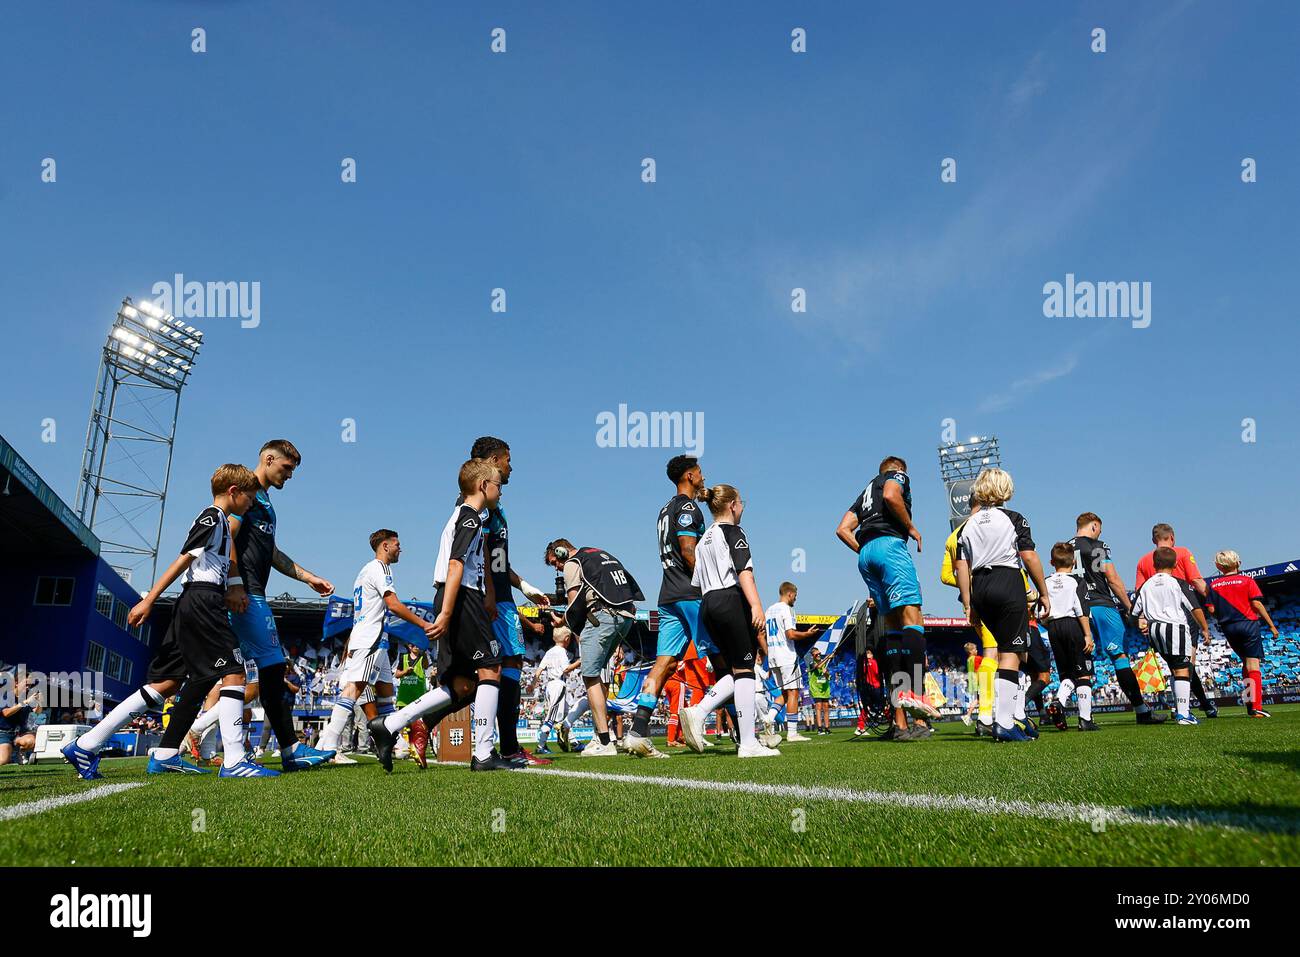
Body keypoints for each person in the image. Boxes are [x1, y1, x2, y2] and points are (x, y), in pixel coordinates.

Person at [63, 464, 277, 778]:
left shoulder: (221, 523)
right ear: (234, 492)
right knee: (234, 672)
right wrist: (149, 599)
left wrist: (234, 586)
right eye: (249, 497)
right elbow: (185, 558)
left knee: (167, 683)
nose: (250, 503)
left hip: (194, 602)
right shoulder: (213, 517)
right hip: (203, 601)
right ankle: (234, 761)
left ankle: (91, 745)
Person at [368, 459, 510, 772]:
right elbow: (456, 565)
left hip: (456, 597)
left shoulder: (465, 516)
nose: (501, 490)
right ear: (482, 486)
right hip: (460, 597)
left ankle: (389, 724)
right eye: (498, 484)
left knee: (460, 685)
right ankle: (484, 754)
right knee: (490, 669)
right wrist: (447, 611)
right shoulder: (470, 519)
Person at [226, 439, 337, 770]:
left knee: (264, 670)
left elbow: (271, 553)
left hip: (252, 592)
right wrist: (234, 585)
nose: (289, 475)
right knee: (271, 668)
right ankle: (289, 751)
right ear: (269, 459)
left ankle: (166, 749)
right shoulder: (245, 492)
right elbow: (227, 534)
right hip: (246, 594)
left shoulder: (265, 502)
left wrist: (307, 577)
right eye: (286, 468)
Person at [463, 437, 554, 766]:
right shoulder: (480, 507)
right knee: (503, 666)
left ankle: (420, 722)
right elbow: (479, 555)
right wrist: (490, 594)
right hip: (493, 600)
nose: (511, 466)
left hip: (502, 595)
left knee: (500, 668)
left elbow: (499, 561)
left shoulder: (494, 508)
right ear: (492, 461)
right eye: (507, 460)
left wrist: (525, 586)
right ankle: (510, 749)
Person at [837, 456, 937, 741]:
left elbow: (842, 529)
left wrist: (866, 551)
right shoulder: (897, 478)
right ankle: (917, 700)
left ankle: (900, 723)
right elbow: (893, 495)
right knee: (913, 618)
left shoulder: (866, 492)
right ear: (898, 470)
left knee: (892, 629)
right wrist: (910, 528)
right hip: (890, 547)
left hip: (867, 553)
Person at [677, 484, 780, 758]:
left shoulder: (705, 538)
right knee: (745, 671)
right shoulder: (733, 531)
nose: (743, 507)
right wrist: (756, 605)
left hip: (708, 604)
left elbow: (697, 582)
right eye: (741, 502)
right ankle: (748, 743)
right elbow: (744, 570)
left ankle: (698, 712)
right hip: (730, 599)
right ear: (733, 504)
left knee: (736, 671)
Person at [317, 530, 436, 763]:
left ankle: (398, 743)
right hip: (370, 638)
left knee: (385, 694)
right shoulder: (380, 569)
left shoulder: (363, 571)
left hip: (375, 639)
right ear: (385, 546)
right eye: (397, 544)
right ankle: (329, 743)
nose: (400, 549)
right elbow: (392, 604)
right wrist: (423, 624)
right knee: (354, 690)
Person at [953, 468, 1049, 743]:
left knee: (1001, 651)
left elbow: (962, 566)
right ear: (1005, 489)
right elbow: (1028, 557)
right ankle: (1005, 722)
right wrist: (1043, 592)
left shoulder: (966, 525)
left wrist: (968, 605)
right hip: (1007, 580)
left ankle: (1008, 716)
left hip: (979, 585)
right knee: (1011, 652)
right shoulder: (1014, 518)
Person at [544, 539, 643, 757]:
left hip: (602, 617)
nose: (557, 568)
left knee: (589, 676)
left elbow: (573, 606)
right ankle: (600, 737)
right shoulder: (600, 554)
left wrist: (562, 621)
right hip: (625, 617)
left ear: (561, 552)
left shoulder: (572, 562)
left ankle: (604, 741)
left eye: (554, 563)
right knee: (599, 678)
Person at [1068, 513, 1165, 725]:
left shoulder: (1065, 547)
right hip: (1102, 605)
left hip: (1077, 610)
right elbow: (1112, 579)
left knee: (1081, 662)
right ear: (1094, 526)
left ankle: (1079, 712)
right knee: (1119, 658)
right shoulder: (1097, 545)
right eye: (1099, 529)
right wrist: (1131, 609)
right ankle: (1141, 711)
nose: (1100, 533)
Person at [1134, 524, 1216, 718]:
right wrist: (1213, 600)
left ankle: (1186, 706)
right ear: (1172, 537)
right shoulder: (1182, 552)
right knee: (1186, 665)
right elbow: (1196, 581)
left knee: (1175, 665)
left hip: (1155, 619)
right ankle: (1193, 707)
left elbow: (1139, 593)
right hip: (1181, 614)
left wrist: (1142, 619)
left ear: (1153, 539)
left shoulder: (1143, 561)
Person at [1204, 550, 1279, 718]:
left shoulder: (1214, 585)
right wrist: (1272, 626)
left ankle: (1249, 703)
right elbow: (1257, 604)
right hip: (1248, 624)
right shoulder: (1247, 581)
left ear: (1218, 566)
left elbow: (1211, 609)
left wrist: (1223, 616)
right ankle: (1257, 707)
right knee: (1253, 665)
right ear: (1238, 563)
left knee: (1245, 664)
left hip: (1228, 627)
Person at [1042, 542, 1098, 731]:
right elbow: (1081, 610)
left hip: (1053, 627)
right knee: (1083, 673)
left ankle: (1059, 700)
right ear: (1074, 561)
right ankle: (1085, 719)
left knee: (1066, 672)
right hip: (1073, 625)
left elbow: (1041, 611)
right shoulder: (1077, 581)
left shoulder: (1046, 581)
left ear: (1052, 562)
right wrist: (1087, 635)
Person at [764, 582, 821, 742]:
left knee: (784, 692)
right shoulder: (787, 609)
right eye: (795, 595)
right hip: (786, 656)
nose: (796, 598)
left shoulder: (769, 610)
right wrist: (808, 634)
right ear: (789, 594)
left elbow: (763, 634)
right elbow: (790, 634)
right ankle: (792, 733)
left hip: (774, 656)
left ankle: (769, 718)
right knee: (793, 692)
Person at [533, 627, 579, 754]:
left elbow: (539, 669)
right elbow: (566, 669)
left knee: (564, 717)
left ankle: (574, 742)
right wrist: (580, 662)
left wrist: (532, 684)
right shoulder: (561, 652)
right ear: (567, 639)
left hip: (551, 685)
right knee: (551, 717)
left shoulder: (549, 652)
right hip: (558, 685)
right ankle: (541, 746)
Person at [394, 644, 432, 766]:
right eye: (414, 645)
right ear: (410, 647)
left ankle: (415, 747)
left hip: (418, 697)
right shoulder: (403, 657)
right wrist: (405, 671)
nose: (416, 647)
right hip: (404, 697)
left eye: (418, 645)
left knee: (417, 725)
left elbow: (426, 666)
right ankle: (402, 748)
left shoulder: (422, 657)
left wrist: (425, 653)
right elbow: (397, 674)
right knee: (404, 725)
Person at [0, 674, 38, 766]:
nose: (28, 687)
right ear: (16, 683)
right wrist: (24, 703)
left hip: (19, 733)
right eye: (26, 684)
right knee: (3, 760)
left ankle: (20, 752)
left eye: (29, 685)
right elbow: (6, 713)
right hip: (3, 733)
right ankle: (11, 755)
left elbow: (37, 712)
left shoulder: (26, 696)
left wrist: (39, 702)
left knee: (31, 741)